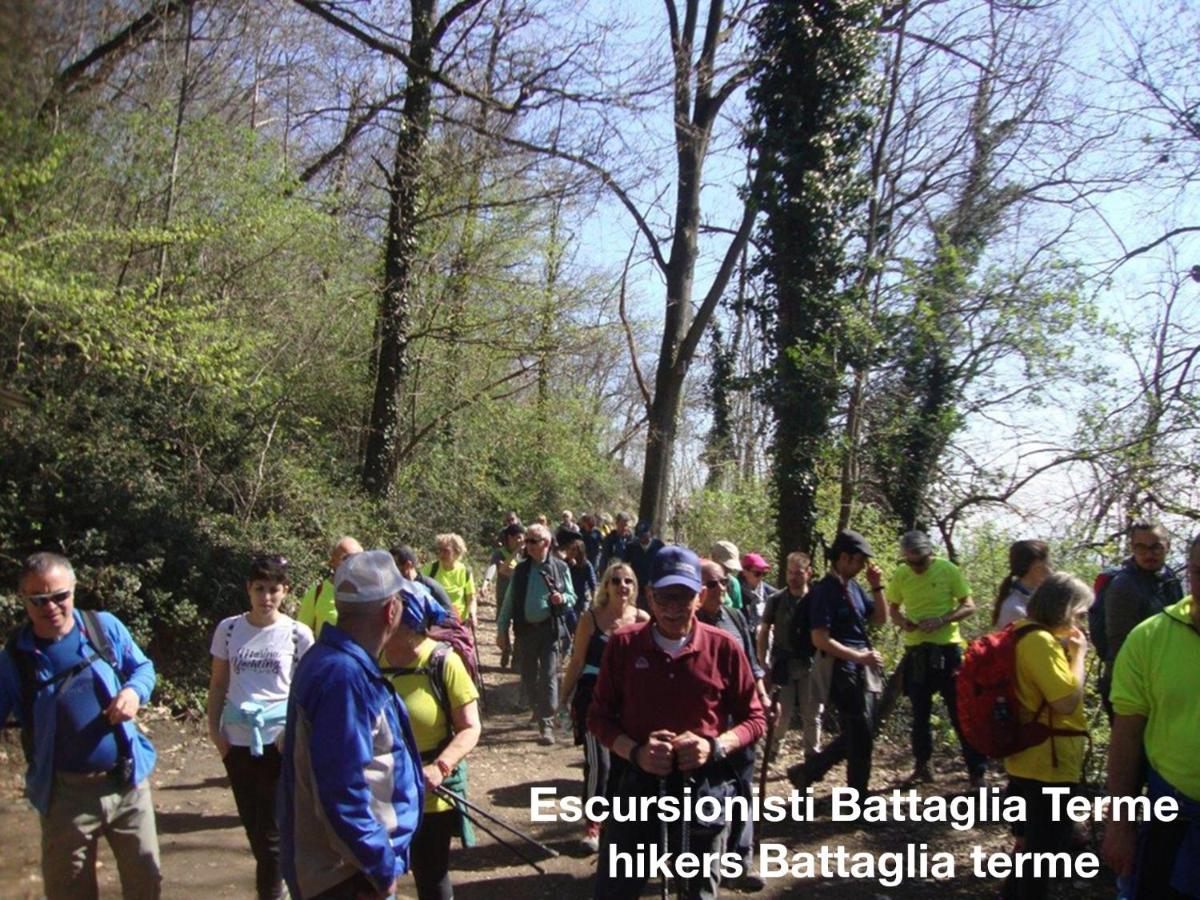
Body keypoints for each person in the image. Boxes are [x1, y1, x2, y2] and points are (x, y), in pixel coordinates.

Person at [588, 545, 766, 900]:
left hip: (703, 792)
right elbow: (599, 717)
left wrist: (713, 746)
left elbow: (755, 718)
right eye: (664, 597)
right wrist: (636, 752)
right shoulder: (624, 645)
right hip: (637, 788)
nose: (672, 608)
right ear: (650, 596)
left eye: (682, 597)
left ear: (700, 597)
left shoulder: (724, 647)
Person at [0, 552, 161, 899]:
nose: (52, 606)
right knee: (69, 891)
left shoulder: (102, 628)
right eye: (39, 600)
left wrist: (134, 692)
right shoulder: (16, 658)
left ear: (74, 590)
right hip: (65, 796)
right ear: (24, 601)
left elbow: (143, 668)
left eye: (60, 596)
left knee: (146, 884)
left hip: (128, 784)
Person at [281, 550, 424, 900]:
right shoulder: (343, 678)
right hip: (344, 877)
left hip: (342, 870)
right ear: (391, 610)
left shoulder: (331, 661)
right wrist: (380, 867)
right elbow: (342, 789)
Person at [207, 554, 314, 900]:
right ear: (248, 590)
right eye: (259, 589)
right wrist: (216, 733)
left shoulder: (298, 634)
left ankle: (273, 892)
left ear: (285, 592)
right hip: (237, 742)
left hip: (280, 742)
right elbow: (218, 684)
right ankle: (280, 883)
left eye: (273, 590)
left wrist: (292, 735)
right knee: (256, 829)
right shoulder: (229, 630)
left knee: (272, 835)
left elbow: (304, 691)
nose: (266, 597)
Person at [1103, 533, 1200, 900]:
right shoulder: (1149, 638)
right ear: (1190, 571)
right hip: (1173, 809)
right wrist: (1121, 822)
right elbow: (1126, 735)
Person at [382, 585, 482, 900]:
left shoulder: (443, 662)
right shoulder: (369, 660)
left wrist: (440, 767)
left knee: (432, 876)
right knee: (378, 880)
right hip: (378, 790)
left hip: (430, 792)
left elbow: (470, 727)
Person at [1001, 573, 1091, 900]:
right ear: (1064, 609)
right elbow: (1065, 701)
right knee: (1043, 855)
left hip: (1028, 760)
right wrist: (1079, 654)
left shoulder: (1022, 634)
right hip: (1046, 765)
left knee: (1031, 851)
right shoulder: (1039, 642)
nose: (1082, 622)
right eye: (1080, 614)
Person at [883, 530, 987, 787]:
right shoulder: (902, 574)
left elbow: (970, 605)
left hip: (947, 649)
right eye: (910, 561)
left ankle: (977, 773)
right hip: (916, 650)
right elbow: (892, 609)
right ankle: (922, 767)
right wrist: (903, 622)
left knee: (959, 711)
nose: (915, 567)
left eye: (920, 561)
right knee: (920, 714)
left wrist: (942, 619)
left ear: (930, 553)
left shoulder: (948, 570)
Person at [787, 531, 887, 795]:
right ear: (844, 558)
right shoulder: (824, 591)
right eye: (860, 560)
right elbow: (820, 639)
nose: (864, 566)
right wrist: (859, 657)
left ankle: (807, 772)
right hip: (839, 670)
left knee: (860, 733)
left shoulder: (854, 587)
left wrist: (877, 587)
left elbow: (878, 618)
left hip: (861, 669)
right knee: (860, 734)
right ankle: (858, 800)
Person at [559, 562, 649, 852]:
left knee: (625, 763)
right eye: (616, 580)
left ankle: (618, 824)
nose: (622, 586)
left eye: (628, 581)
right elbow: (577, 661)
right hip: (592, 695)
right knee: (600, 762)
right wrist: (562, 698)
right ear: (606, 586)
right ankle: (593, 825)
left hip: (630, 698)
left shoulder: (643, 619)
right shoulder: (591, 619)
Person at [696, 559, 770, 890]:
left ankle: (740, 859)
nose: (722, 589)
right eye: (713, 584)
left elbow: (752, 667)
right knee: (709, 794)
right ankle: (703, 861)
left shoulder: (735, 617)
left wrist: (763, 699)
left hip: (740, 720)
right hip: (706, 724)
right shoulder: (687, 622)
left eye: (724, 582)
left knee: (742, 787)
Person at [496, 523, 575, 745]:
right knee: (529, 678)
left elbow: (572, 596)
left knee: (549, 676)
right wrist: (502, 630)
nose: (528, 546)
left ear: (546, 543)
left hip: (549, 631)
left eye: (533, 541)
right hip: (525, 632)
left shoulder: (560, 568)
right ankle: (538, 713)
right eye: (527, 541)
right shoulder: (521, 570)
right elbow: (509, 602)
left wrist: (563, 599)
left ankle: (546, 725)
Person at [1101, 520, 1183, 695]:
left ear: (1168, 546)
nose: (1148, 554)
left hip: (1163, 675)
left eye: (1156, 547)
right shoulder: (1124, 585)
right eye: (1141, 548)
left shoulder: (1170, 579)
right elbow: (1119, 641)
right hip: (1130, 681)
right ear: (1132, 547)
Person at [758, 551, 823, 762]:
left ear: (808, 573)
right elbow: (764, 629)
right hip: (783, 664)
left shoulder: (817, 601)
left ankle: (812, 756)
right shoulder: (776, 600)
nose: (793, 577)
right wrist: (762, 660)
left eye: (798, 573)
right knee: (781, 714)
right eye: (790, 573)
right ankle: (773, 750)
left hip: (811, 664)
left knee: (811, 713)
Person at [297, 536, 363, 638]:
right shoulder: (317, 593)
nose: (352, 563)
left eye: (357, 557)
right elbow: (300, 636)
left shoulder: (370, 593)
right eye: (346, 558)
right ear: (332, 562)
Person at [425, 533, 478, 632]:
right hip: (435, 622)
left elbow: (471, 599)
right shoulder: (430, 569)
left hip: (459, 623)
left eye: (446, 551)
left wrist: (472, 614)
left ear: (457, 552)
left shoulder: (465, 571)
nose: (441, 554)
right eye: (439, 550)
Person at [992, 540, 1051, 629]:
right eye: (1049, 563)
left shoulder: (1043, 599)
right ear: (1037, 567)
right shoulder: (1014, 609)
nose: (1052, 570)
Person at [392, 545, 454, 617]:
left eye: (395, 565)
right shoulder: (395, 588)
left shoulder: (430, 587)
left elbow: (449, 616)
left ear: (407, 565)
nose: (391, 570)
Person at [623, 522, 664, 606]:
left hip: (654, 587)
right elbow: (625, 565)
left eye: (645, 534)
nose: (642, 538)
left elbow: (663, 566)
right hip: (636, 587)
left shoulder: (659, 546)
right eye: (640, 535)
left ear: (650, 533)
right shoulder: (631, 547)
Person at [738, 552, 774, 632]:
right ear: (744, 572)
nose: (761, 577)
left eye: (764, 574)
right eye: (757, 573)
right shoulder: (736, 592)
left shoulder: (771, 594)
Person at [710, 540, 744, 611]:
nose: (730, 569)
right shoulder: (700, 580)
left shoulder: (733, 584)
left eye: (731, 567)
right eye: (725, 566)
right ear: (714, 557)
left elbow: (736, 612)